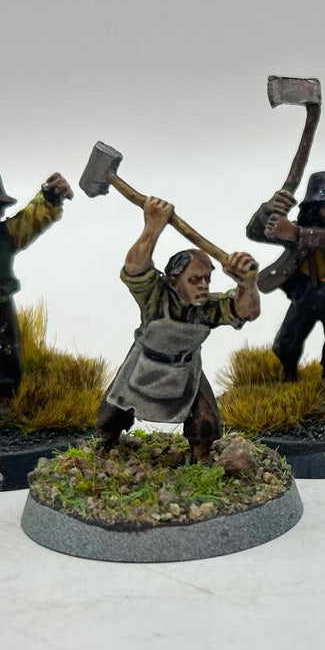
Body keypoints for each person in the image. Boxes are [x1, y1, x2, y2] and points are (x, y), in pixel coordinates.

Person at [97, 196, 259, 464]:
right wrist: (153, 226)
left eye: (207, 279)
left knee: (205, 415)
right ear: (173, 281)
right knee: (115, 407)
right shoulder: (155, 296)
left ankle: (201, 455)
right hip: (143, 363)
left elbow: (246, 312)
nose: (203, 286)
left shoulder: (207, 308)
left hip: (186, 368)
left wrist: (247, 284)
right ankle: (108, 441)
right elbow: (134, 269)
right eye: (194, 279)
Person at [0, 167, 73, 416]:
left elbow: (32, 219)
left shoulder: (9, 234)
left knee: (5, 348)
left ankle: (3, 398)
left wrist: (50, 198)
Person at [246, 171, 325, 384]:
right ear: (314, 211)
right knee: (288, 341)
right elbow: (256, 232)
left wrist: (296, 233)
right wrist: (268, 209)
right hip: (306, 294)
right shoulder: (296, 231)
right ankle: (289, 374)